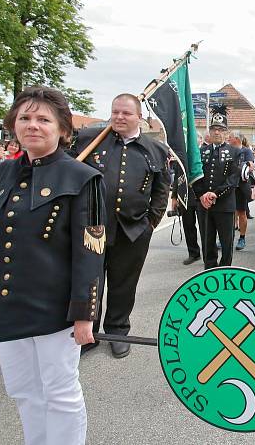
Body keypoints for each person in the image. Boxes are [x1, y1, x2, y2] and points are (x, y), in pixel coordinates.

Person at [0, 87, 105, 445]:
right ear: (13, 125)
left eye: (43, 119)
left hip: (56, 312)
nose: (32, 125)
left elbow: (91, 253)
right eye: (25, 118)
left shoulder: (82, 178)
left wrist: (85, 314)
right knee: (24, 392)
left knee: (61, 393)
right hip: (7, 309)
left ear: (62, 129)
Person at [73, 93, 170, 358]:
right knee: (90, 282)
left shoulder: (156, 150)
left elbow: (162, 190)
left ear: (139, 117)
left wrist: (151, 222)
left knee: (123, 283)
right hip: (92, 228)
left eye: (126, 113)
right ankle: (88, 333)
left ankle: (117, 331)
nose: (119, 117)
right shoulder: (90, 140)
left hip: (133, 229)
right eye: (115, 112)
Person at [193, 104, 241, 269]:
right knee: (207, 242)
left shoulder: (235, 153)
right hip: (204, 206)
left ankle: (225, 271)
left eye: (220, 129)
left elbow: (233, 179)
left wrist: (214, 194)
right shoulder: (202, 152)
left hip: (224, 205)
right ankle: (209, 271)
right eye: (213, 128)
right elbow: (196, 176)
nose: (216, 132)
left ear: (226, 132)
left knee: (227, 243)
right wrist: (201, 195)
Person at [170, 165, 202, 266]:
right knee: (188, 226)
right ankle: (194, 253)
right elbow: (177, 178)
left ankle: (209, 254)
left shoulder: (200, 153)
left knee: (206, 227)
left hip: (201, 194)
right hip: (186, 196)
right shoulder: (181, 157)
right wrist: (174, 196)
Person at [228, 130, 254, 250]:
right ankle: (228, 237)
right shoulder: (228, 150)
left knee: (242, 213)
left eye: (230, 137)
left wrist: (245, 167)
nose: (228, 138)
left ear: (237, 139)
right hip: (229, 186)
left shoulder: (246, 151)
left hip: (241, 187)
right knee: (230, 213)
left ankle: (242, 238)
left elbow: (251, 166)